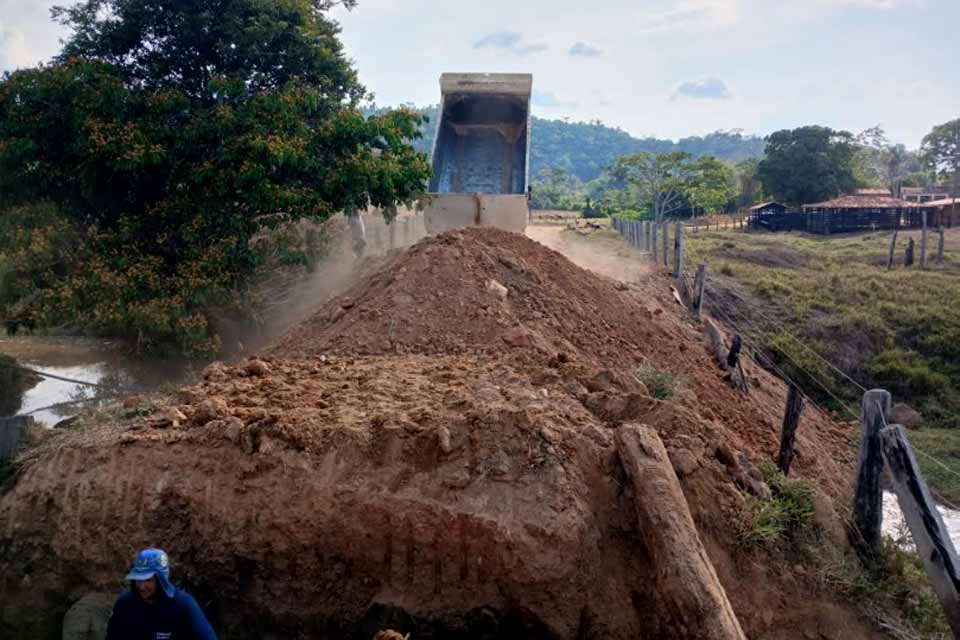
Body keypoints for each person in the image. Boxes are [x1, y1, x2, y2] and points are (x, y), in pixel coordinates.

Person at [105, 548, 217, 640]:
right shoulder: (125, 603)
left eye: (148, 580)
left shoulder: (183, 604)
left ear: (161, 580)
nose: (142, 587)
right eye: (138, 580)